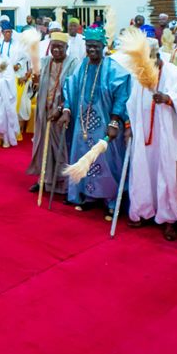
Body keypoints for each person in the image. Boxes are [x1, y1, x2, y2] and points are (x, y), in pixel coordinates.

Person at [60, 28, 131, 216]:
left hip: (104, 125)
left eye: (96, 47)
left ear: (103, 47)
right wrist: (67, 109)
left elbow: (122, 95)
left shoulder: (113, 68)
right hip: (82, 125)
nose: (92, 50)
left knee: (106, 161)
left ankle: (111, 200)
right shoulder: (83, 66)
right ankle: (89, 196)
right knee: (83, 157)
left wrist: (115, 121)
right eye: (89, 46)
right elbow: (70, 85)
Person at [126, 39, 177, 240]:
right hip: (143, 134)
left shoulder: (176, 74)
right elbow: (131, 101)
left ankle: (169, 219)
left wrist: (169, 99)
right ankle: (144, 210)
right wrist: (130, 126)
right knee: (142, 171)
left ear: (157, 55)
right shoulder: (139, 75)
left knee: (167, 174)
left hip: (167, 135)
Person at [27, 32, 78, 194]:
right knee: (44, 146)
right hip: (44, 112)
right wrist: (33, 82)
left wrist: (60, 109)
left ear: (66, 48)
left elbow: (73, 91)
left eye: (60, 47)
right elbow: (35, 84)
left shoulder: (73, 63)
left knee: (61, 148)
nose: (56, 50)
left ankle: (65, 185)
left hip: (62, 114)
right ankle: (44, 180)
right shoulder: (44, 62)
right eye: (53, 46)